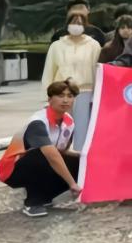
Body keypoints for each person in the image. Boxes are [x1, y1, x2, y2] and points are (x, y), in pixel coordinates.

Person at [0, 79, 81, 217]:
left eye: (70, 96)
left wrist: (84, 157)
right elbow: (52, 154)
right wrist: (72, 183)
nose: (65, 100)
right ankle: (32, 203)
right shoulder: (38, 122)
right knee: (43, 154)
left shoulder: (69, 121)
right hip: (12, 170)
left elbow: (62, 151)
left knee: (81, 162)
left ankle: (45, 196)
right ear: (50, 99)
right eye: (60, 96)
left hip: (40, 162)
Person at [42, 11, 101, 151]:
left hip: (84, 92)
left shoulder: (93, 45)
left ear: (85, 25)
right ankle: (58, 155)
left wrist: (96, 95)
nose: (76, 25)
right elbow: (49, 70)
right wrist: (47, 96)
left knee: (82, 128)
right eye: (73, 22)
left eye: (79, 23)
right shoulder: (57, 46)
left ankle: (80, 156)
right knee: (60, 126)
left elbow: (97, 70)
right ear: (67, 24)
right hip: (61, 90)